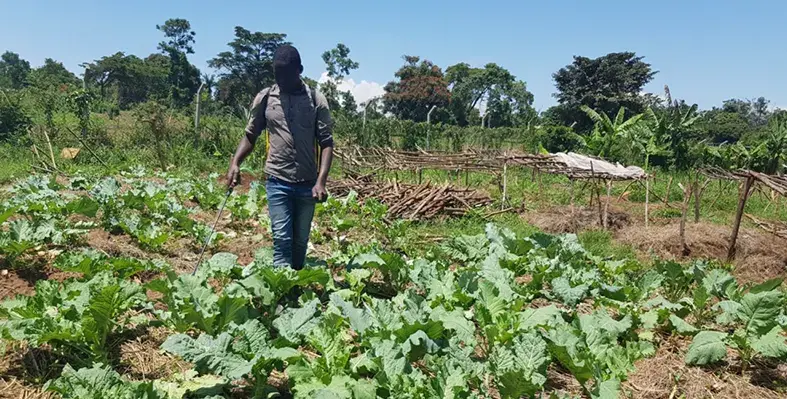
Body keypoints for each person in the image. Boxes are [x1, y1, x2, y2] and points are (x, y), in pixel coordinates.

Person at [226, 45, 334, 269]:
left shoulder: (315, 99)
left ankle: (295, 289)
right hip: (277, 180)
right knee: (282, 240)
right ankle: (282, 296)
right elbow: (250, 135)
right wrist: (235, 162)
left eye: (286, 73)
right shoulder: (266, 97)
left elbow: (326, 142)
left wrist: (321, 181)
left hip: (307, 184)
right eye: (277, 73)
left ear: (300, 70)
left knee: (300, 243)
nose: (281, 78)